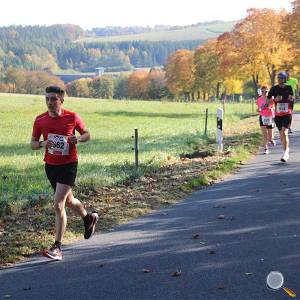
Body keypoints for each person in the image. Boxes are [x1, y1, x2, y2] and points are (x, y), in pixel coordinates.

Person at [31, 85, 99, 261]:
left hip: (69, 165)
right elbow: (32, 143)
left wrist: (78, 138)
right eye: (47, 99)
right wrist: (42, 144)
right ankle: (88, 218)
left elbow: (87, 134)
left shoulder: (72, 117)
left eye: (53, 99)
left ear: (61, 99)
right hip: (51, 166)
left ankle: (57, 247)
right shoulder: (40, 120)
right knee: (69, 201)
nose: (50, 102)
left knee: (58, 204)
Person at [267, 72, 294, 162]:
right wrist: (274, 100)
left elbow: (292, 98)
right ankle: (286, 150)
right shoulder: (274, 89)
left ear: (285, 79)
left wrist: (291, 98)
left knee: (284, 132)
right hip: (278, 115)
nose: (279, 80)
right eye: (278, 78)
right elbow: (267, 101)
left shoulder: (289, 88)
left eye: (281, 78)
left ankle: (285, 153)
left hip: (287, 113)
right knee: (281, 135)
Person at [256, 86, 275, 154]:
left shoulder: (271, 99)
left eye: (266, 91)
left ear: (268, 92)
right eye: (262, 91)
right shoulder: (259, 99)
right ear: (261, 92)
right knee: (264, 135)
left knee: (270, 136)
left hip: (270, 117)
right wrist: (258, 110)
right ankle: (266, 149)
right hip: (262, 117)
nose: (264, 93)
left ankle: (271, 139)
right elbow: (258, 108)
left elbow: (274, 107)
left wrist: (271, 109)